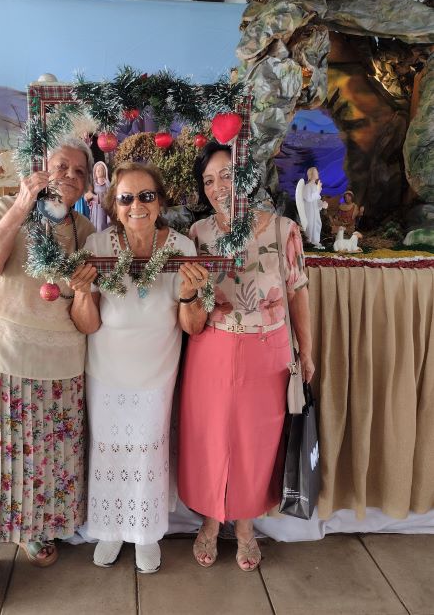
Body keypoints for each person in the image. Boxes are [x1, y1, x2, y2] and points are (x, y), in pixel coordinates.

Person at [0, 137, 96, 608]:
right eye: (61, 166)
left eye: (79, 171)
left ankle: (32, 530)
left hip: (58, 366)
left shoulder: (84, 230)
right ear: (42, 168)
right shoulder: (3, 208)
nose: (69, 175)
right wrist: (21, 203)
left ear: (86, 184)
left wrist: (83, 290)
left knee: (43, 459)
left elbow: (84, 314)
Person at [178, 142, 315, 572]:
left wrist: (308, 351)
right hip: (211, 348)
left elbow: (298, 292)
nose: (218, 186)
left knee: (256, 442)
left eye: (226, 175)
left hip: (268, 352)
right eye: (208, 180)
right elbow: (191, 303)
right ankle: (208, 521)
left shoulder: (283, 230)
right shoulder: (197, 235)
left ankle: (244, 527)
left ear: (245, 177)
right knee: (210, 437)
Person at [69, 161, 209, 574]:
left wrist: (190, 295)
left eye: (146, 196)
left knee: (148, 451)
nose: (136, 206)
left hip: (156, 374)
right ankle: (110, 528)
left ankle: (146, 532)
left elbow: (193, 327)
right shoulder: (96, 244)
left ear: (160, 201)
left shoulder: (181, 247)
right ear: (114, 205)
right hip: (105, 373)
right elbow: (87, 324)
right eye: (126, 198)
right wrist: (81, 293)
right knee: (108, 450)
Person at [302, 166, 328, 249]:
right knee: (310, 225)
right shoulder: (307, 186)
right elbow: (308, 198)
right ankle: (309, 242)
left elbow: (316, 200)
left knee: (317, 224)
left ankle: (315, 241)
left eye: (317, 172)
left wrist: (322, 204)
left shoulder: (314, 186)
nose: (317, 174)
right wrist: (317, 191)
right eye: (316, 172)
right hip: (309, 212)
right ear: (311, 174)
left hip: (315, 212)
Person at [87, 161, 111, 231]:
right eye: (97, 170)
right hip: (94, 208)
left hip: (102, 209)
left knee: (100, 225)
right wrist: (88, 199)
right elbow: (89, 197)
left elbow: (109, 197)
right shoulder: (94, 184)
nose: (98, 171)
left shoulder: (107, 184)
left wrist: (94, 197)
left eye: (100, 170)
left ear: (104, 171)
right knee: (94, 224)